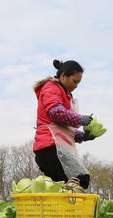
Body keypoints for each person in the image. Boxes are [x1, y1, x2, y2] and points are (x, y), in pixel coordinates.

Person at [32, 59, 98, 189]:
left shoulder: (66, 95)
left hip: (54, 149)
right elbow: (55, 112)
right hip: (50, 148)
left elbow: (64, 129)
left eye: (79, 83)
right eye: (74, 81)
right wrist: (80, 119)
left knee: (61, 186)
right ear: (63, 76)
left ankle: (56, 208)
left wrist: (82, 136)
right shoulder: (51, 88)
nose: (76, 86)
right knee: (81, 178)